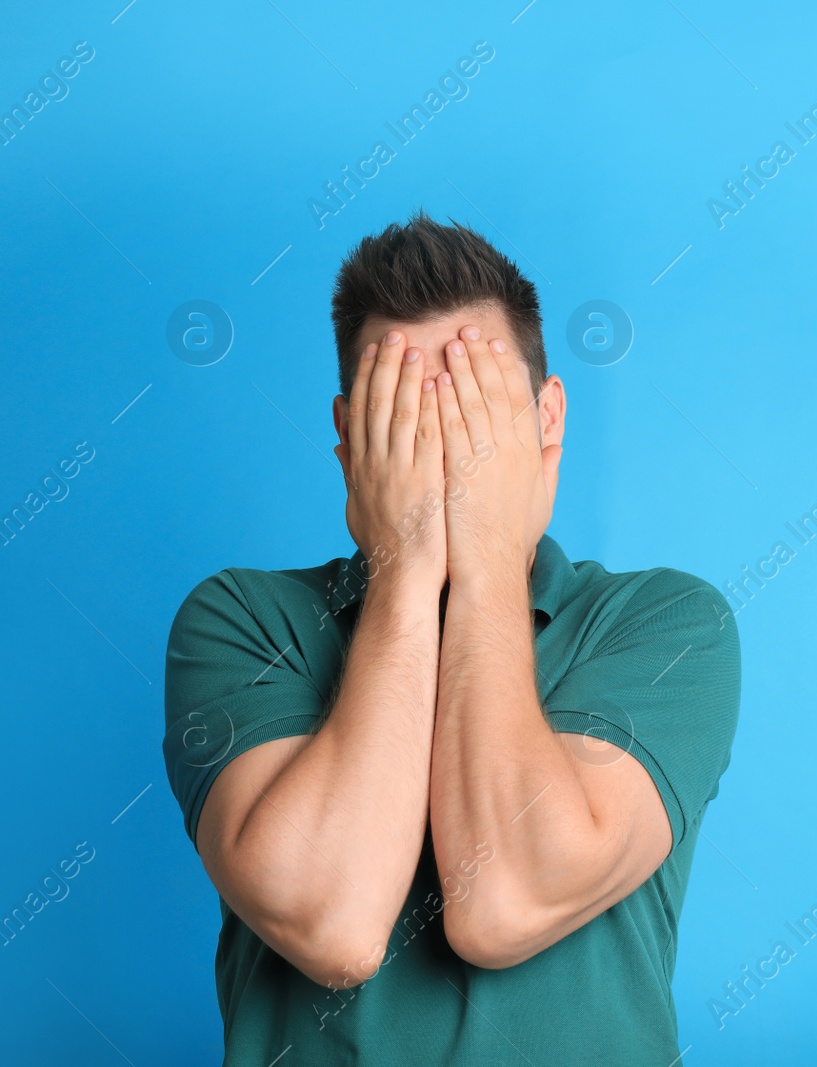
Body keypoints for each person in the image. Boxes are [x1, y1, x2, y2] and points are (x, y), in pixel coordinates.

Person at [162, 213, 741, 1065]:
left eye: (477, 413)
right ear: (351, 437)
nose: (448, 452)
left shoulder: (668, 625)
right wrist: (406, 567)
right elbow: (335, 920)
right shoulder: (242, 621)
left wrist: (485, 568)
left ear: (548, 420)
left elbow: (505, 900)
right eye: (404, 416)